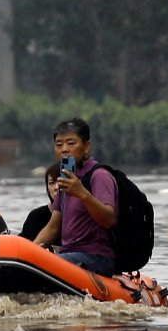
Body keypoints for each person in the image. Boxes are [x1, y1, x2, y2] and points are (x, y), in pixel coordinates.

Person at [32, 117, 117, 276]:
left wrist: (82, 193)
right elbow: (53, 227)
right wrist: (29, 251)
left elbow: (109, 219)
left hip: (97, 257)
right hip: (70, 254)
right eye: (59, 144)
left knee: (48, 265)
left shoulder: (99, 176)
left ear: (86, 147)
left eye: (71, 143)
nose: (64, 149)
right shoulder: (66, 179)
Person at [19, 163, 61, 242]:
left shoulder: (78, 216)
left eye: (60, 182)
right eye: (51, 183)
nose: (56, 187)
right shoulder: (36, 216)